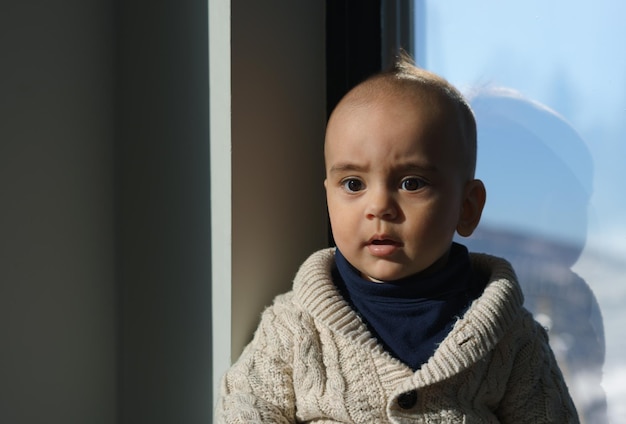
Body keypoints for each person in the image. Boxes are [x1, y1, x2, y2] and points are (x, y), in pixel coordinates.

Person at [215, 57, 579, 423]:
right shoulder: (293, 326)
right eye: (353, 184)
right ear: (328, 198)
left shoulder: (511, 336)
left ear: (467, 208)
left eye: (412, 183)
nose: (379, 207)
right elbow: (245, 412)